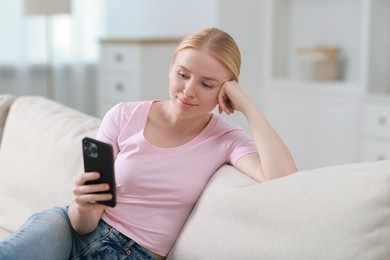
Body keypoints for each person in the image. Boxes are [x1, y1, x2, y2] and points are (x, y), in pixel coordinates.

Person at [0, 27, 297, 259]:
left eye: (207, 84)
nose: (189, 91)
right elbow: (82, 225)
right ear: (171, 69)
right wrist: (82, 204)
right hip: (67, 228)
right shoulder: (123, 115)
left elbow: (283, 178)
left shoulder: (226, 140)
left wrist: (249, 107)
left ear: (227, 90)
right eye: (183, 75)